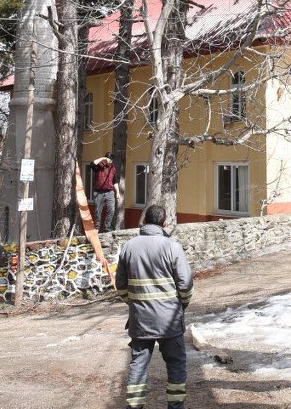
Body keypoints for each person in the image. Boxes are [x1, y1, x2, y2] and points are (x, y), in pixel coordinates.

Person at [116, 204, 193, 409]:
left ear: (144, 221)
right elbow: (185, 284)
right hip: (170, 321)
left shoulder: (128, 246)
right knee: (176, 364)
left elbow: (121, 285)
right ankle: (176, 407)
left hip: (140, 321)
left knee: (138, 365)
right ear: (164, 222)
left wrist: (134, 304)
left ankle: (134, 406)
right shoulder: (172, 247)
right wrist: (180, 306)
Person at [89, 155, 121, 232]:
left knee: (111, 209)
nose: (110, 161)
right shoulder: (98, 166)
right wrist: (103, 158)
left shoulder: (113, 169)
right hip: (98, 192)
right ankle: (97, 227)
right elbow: (91, 164)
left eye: (111, 160)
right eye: (108, 159)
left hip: (109, 192)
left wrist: (117, 192)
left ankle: (107, 227)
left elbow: (115, 181)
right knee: (97, 211)